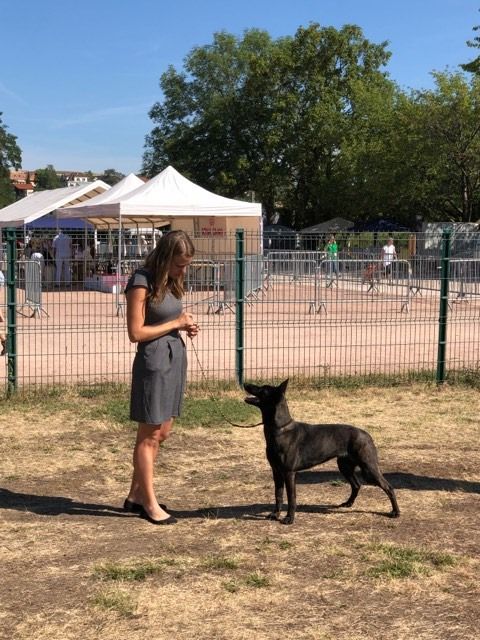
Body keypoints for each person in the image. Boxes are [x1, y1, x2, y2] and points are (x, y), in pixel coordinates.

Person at [124, 230, 199, 525]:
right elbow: (136, 333)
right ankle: (150, 504)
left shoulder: (170, 281)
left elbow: (169, 320)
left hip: (173, 358)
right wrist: (175, 323)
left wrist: (184, 325)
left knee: (163, 432)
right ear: (166, 258)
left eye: (186, 265)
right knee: (150, 435)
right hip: (153, 362)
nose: (183, 270)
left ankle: (134, 496)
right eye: (180, 265)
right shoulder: (141, 281)